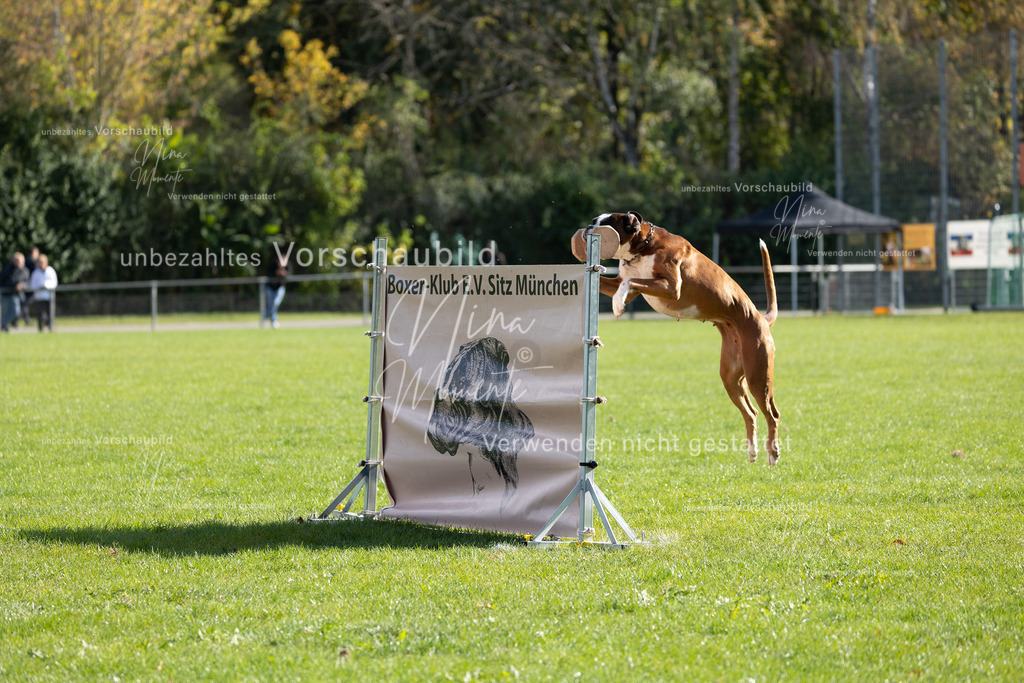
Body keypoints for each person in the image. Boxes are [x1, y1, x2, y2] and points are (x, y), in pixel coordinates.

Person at [0, 252, 30, 332]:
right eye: (17, 260)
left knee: (16, 312)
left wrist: (21, 286)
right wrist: (15, 285)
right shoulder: (8, 269)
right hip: (6, 293)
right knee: (4, 312)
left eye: (19, 261)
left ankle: (3, 324)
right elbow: (9, 280)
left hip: (16, 294)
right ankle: (4, 326)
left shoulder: (25, 271)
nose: (18, 262)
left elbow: (27, 283)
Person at [29, 254, 58, 332]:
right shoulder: (35, 272)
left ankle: (50, 327)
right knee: (40, 313)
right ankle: (40, 328)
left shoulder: (50, 271)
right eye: (39, 262)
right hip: (39, 296)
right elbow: (32, 284)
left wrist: (46, 285)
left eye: (41, 262)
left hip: (49, 296)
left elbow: (54, 282)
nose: (40, 264)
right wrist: (39, 286)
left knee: (50, 312)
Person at [264, 254, 289, 328]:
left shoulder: (287, 266)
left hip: (280, 287)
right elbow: (269, 274)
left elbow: (289, 275)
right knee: (270, 304)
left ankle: (268, 317)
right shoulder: (273, 265)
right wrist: (276, 272)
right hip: (271, 287)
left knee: (275, 303)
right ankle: (272, 319)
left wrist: (284, 272)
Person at [22, 246, 39, 324]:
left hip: (28, 284)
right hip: (30, 285)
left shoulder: (26, 261)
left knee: (26, 303)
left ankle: (27, 318)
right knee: (27, 303)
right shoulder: (31, 262)